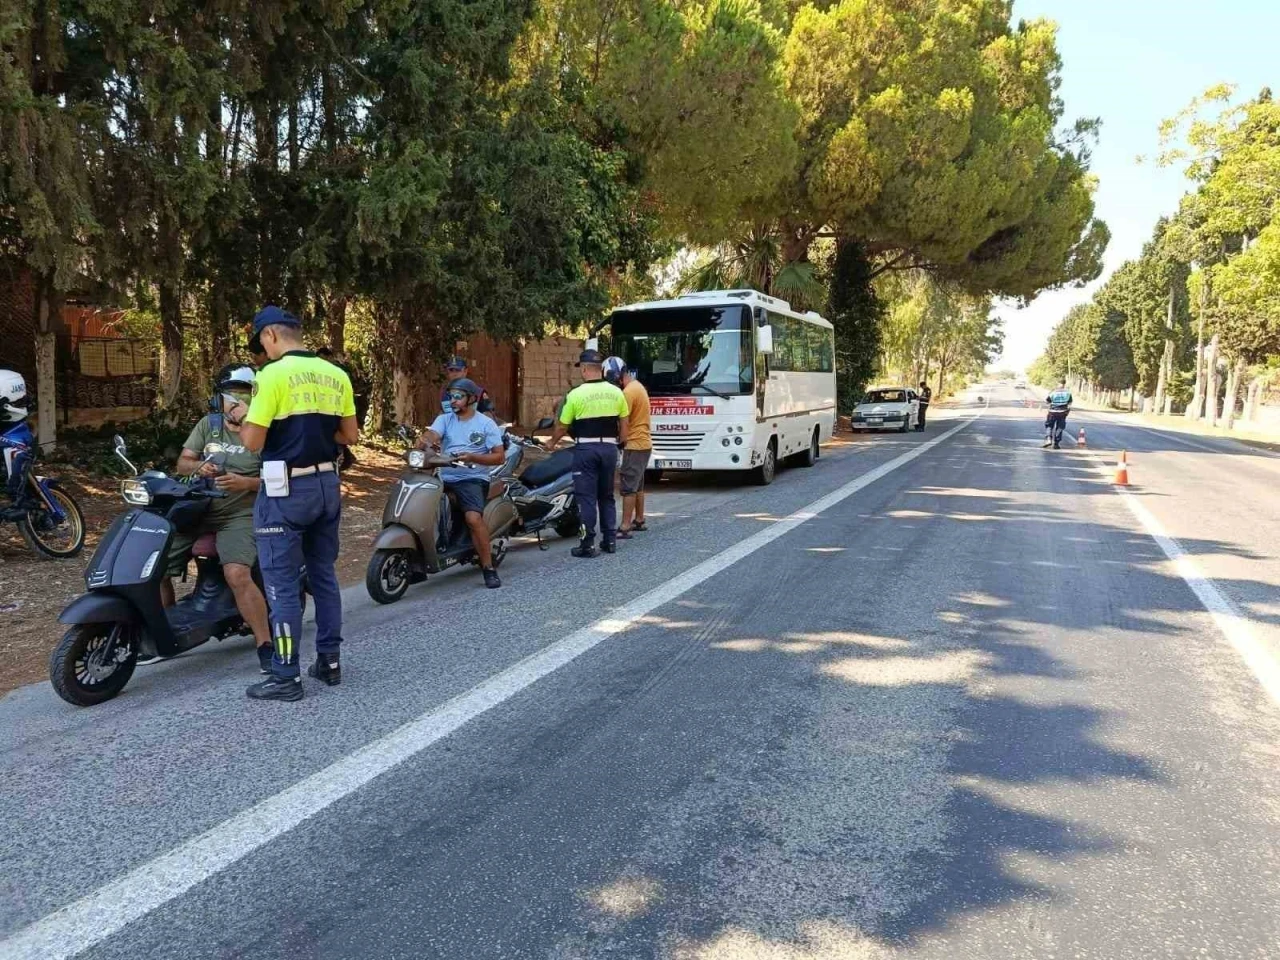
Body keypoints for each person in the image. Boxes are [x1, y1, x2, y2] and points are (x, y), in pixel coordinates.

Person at [239, 306, 359, 702]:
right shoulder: (336, 374)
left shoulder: (271, 375)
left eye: (261, 344)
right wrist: (314, 435)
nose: (263, 352)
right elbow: (350, 436)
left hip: (285, 490)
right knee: (323, 575)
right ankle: (330, 662)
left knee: (282, 585)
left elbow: (252, 442)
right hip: (327, 484)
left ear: (271, 335)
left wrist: (244, 419)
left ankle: (285, 675)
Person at [153, 365, 273, 670]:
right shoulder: (209, 424)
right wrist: (199, 467)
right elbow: (183, 463)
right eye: (230, 396)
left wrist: (246, 483)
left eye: (243, 396)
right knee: (154, 566)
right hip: (199, 507)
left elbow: (280, 481)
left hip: (240, 512)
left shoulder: (265, 431)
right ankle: (165, 635)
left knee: (237, 574)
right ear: (219, 398)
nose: (236, 402)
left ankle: (266, 644)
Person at [417, 378, 506, 588]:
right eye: (451, 396)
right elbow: (433, 434)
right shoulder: (445, 419)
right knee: (420, 509)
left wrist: (473, 457)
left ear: (472, 399)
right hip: (444, 477)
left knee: (473, 518)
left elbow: (499, 457)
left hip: (472, 478)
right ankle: (417, 563)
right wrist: (425, 440)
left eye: (458, 396)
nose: (453, 401)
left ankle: (488, 568)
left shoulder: (486, 424)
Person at [545, 349, 629, 558]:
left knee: (586, 498)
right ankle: (610, 541)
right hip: (609, 449)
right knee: (607, 496)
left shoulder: (575, 394)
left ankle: (587, 544)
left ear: (583, 369)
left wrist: (552, 442)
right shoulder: (616, 392)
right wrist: (619, 443)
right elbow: (624, 423)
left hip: (586, 450)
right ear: (600, 369)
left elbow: (562, 426)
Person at [610, 359, 652, 538]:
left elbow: (624, 421)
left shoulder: (627, 393)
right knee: (638, 485)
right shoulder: (637, 386)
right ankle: (639, 519)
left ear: (617, 376)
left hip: (634, 444)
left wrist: (621, 441)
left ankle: (625, 526)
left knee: (628, 486)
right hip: (644, 444)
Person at [317, 347, 357, 471]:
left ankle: (340, 457)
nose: (322, 362)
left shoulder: (340, 372)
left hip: (338, 412)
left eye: (324, 358)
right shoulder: (315, 373)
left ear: (330, 358)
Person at [1044, 380, 1073, 449]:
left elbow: (1047, 401)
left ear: (1058, 384)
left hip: (1052, 412)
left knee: (1049, 426)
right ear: (1064, 384)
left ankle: (1048, 439)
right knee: (1059, 428)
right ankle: (1056, 444)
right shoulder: (1068, 393)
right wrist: (1067, 410)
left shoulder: (1053, 392)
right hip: (1062, 413)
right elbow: (1070, 403)